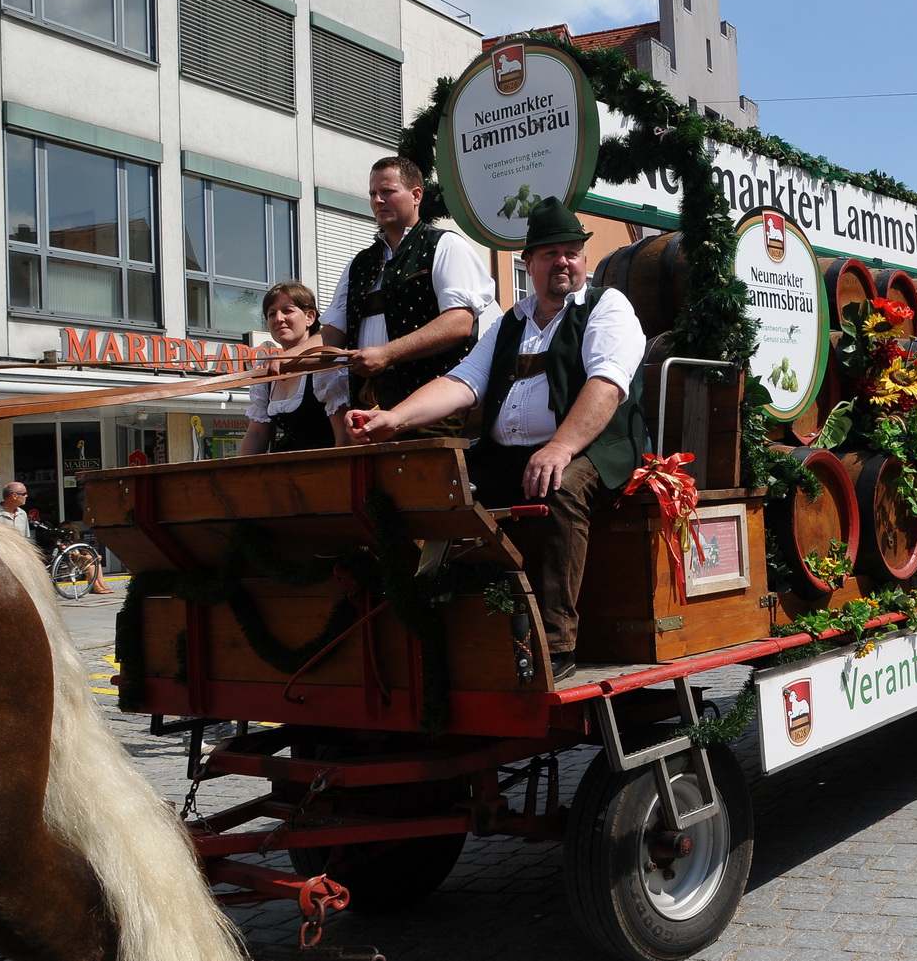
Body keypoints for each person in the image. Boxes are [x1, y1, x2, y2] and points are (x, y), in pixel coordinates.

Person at [345, 198, 648, 684]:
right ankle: (440, 619)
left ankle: (556, 644)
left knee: (558, 487)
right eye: (550, 254)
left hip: (594, 448)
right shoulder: (510, 321)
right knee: (442, 489)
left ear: (584, 258)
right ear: (529, 263)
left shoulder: (606, 306)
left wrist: (560, 447)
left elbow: (606, 385)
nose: (563, 261)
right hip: (510, 456)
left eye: (572, 252)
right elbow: (463, 381)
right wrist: (394, 419)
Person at [321, 157, 497, 436]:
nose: (378, 200)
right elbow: (332, 333)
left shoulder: (445, 245)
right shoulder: (360, 263)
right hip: (369, 403)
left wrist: (386, 354)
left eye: (387, 191)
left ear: (416, 195)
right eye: (373, 194)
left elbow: (458, 323)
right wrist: (286, 359)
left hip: (433, 406)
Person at [239, 282, 352, 455]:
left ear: (310, 317)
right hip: (287, 465)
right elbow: (257, 433)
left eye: (287, 310)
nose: (278, 318)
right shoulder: (267, 369)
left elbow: (345, 439)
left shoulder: (327, 365)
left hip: (326, 463)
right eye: (271, 314)